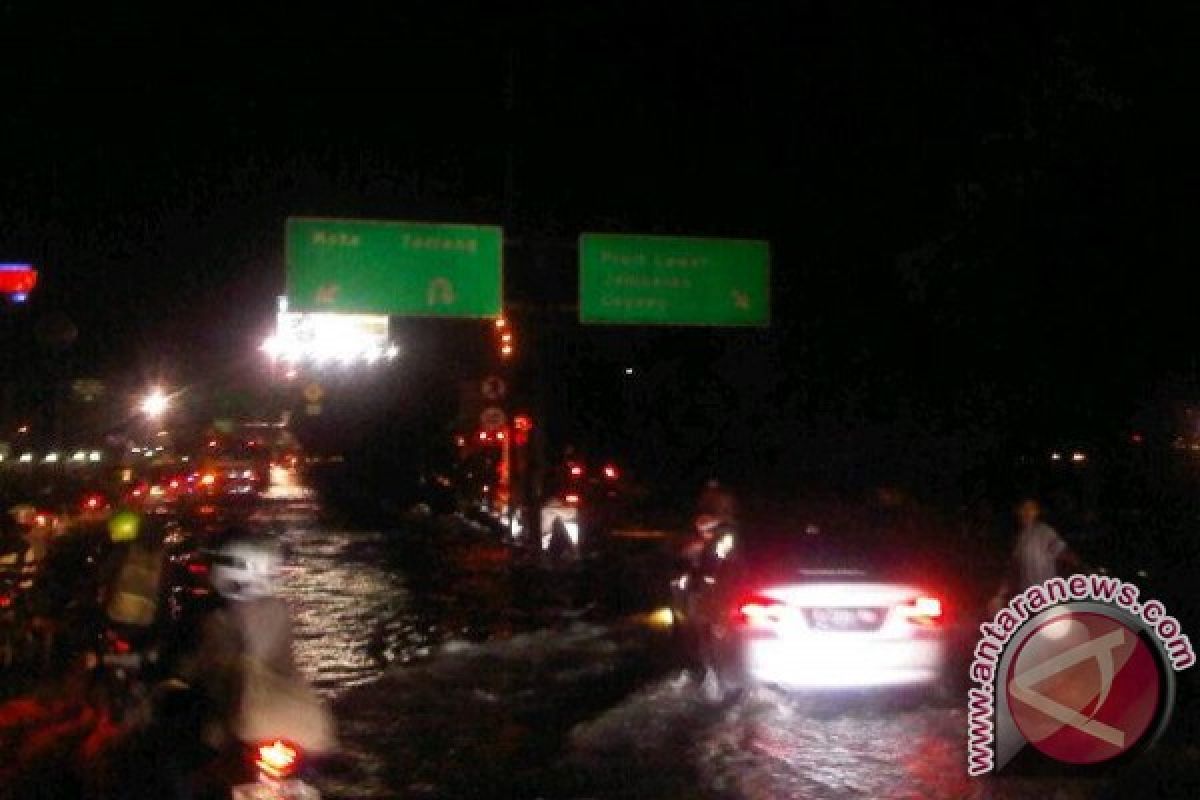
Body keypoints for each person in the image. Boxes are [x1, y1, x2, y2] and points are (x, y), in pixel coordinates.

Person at [989, 498, 1079, 613]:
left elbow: (1064, 553)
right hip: (1027, 599)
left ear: (1037, 512)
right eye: (1024, 509)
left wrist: (1085, 568)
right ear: (1018, 512)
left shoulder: (1044, 532)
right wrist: (1001, 594)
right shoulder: (1019, 539)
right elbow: (1013, 570)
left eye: (1031, 509)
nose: (1027, 512)